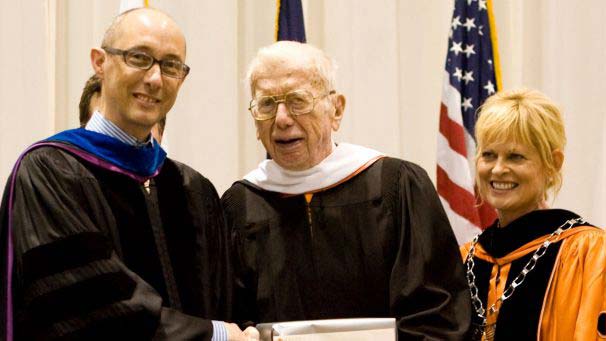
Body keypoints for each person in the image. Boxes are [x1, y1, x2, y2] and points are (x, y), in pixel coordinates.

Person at [0, 8, 256, 341]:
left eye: (171, 65)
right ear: (99, 62)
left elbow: (225, 302)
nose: (155, 78)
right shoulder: (48, 173)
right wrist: (213, 335)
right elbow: (89, 308)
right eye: (139, 58)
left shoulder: (194, 189)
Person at [221, 41, 471, 339]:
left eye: (298, 101)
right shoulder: (238, 206)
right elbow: (228, 317)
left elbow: (439, 316)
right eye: (266, 104)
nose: (282, 119)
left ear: (336, 110)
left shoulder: (397, 187)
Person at [460, 88, 606, 340]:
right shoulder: (467, 258)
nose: (498, 169)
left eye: (515, 157)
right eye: (488, 155)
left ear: (554, 163)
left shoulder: (587, 254)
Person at [79, 74, 166, 143]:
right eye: (106, 124)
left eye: (140, 124)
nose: (124, 134)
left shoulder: (166, 164)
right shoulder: (67, 162)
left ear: (161, 134)